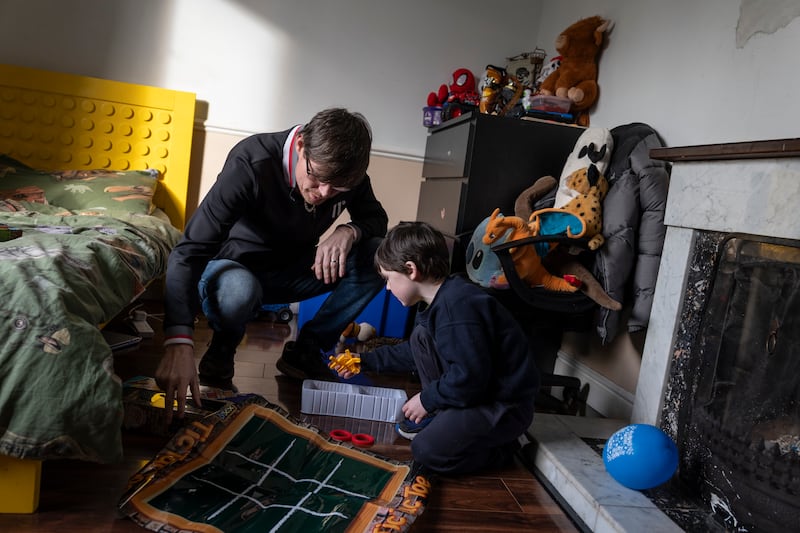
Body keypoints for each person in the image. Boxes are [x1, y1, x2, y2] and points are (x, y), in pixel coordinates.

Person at [155, 108, 388, 420]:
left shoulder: (347, 175)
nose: (323, 194)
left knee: (377, 255)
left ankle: (306, 351)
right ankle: (222, 350)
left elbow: (376, 219)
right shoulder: (251, 163)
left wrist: (350, 230)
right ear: (302, 144)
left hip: (294, 271)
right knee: (240, 288)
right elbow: (189, 250)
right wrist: (178, 340)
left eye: (338, 190)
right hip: (232, 271)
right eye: (317, 179)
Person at [333, 221, 540, 475]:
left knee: (427, 451)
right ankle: (449, 413)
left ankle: (504, 449)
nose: (387, 288)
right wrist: (363, 361)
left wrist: (427, 400)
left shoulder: (458, 308)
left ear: (411, 270)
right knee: (420, 338)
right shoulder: (437, 303)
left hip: (502, 406)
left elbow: (470, 377)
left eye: (388, 279)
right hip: (477, 394)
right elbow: (412, 353)